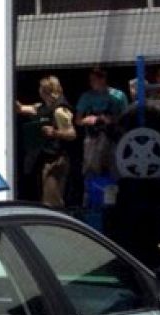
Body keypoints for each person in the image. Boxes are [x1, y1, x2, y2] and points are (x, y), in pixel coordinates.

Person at [16, 76, 76, 209]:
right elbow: (22, 109)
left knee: (52, 199)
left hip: (56, 160)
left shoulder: (60, 110)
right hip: (43, 158)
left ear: (46, 90)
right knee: (43, 197)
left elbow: (72, 134)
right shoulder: (42, 107)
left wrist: (55, 133)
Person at [74, 67, 129, 178]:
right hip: (93, 138)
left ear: (103, 79)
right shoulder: (86, 97)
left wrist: (111, 120)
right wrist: (88, 120)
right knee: (91, 171)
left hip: (113, 138)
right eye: (90, 80)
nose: (91, 83)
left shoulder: (119, 96)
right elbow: (77, 120)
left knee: (114, 170)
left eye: (94, 80)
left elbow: (126, 118)